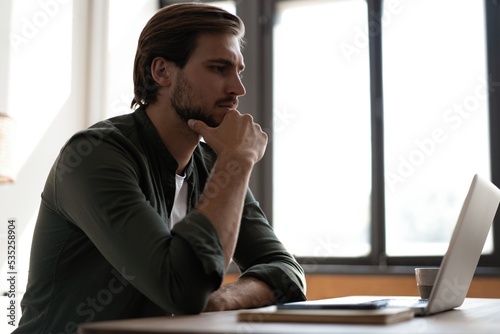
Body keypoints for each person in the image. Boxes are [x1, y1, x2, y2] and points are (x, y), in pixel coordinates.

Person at [14, 3, 306, 333]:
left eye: (238, 70)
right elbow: (183, 291)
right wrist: (238, 161)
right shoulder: (95, 156)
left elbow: (287, 272)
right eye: (218, 68)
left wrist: (224, 300)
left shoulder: (212, 163)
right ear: (162, 72)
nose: (238, 89)